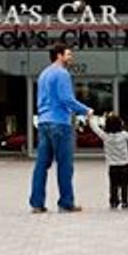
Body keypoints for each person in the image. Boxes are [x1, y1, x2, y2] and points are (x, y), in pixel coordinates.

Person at [29, 43, 93, 213]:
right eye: (68, 54)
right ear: (59, 55)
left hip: (44, 122)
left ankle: (37, 203)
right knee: (65, 165)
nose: (71, 58)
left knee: (41, 165)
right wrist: (86, 110)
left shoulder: (43, 74)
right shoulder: (62, 74)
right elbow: (67, 99)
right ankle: (66, 203)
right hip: (60, 123)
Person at [89, 112, 128, 210]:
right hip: (125, 165)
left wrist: (91, 118)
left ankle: (114, 201)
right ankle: (125, 201)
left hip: (113, 166)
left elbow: (95, 128)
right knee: (125, 185)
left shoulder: (105, 136)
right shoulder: (123, 135)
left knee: (113, 185)